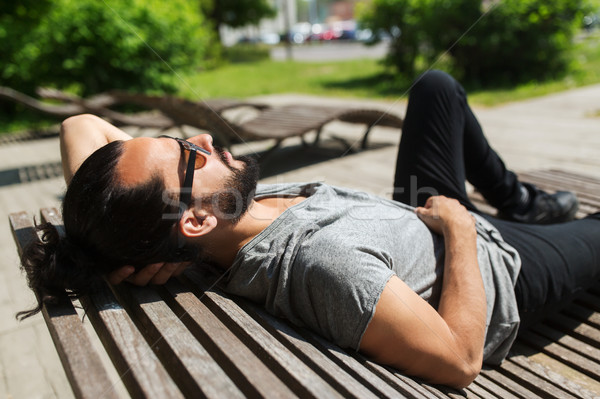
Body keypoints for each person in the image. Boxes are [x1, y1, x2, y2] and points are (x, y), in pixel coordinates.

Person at [17, 70, 600, 389]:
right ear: (193, 219)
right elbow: (458, 361)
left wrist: (105, 230)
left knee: (435, 89)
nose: (199, 141)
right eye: (189, 158)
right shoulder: (325, 263)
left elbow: (81, 124)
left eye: (176, 138)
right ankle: (524, 213)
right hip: (501, 268)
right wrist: (464, 229)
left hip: (413, 220)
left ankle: (521, 198)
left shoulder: (211, 215)